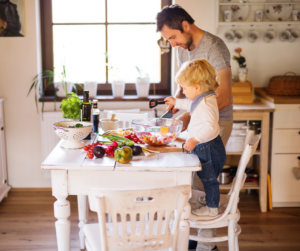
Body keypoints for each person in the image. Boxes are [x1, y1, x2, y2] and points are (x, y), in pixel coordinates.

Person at [156, 4, 233, 251]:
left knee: (203, 180)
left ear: (186, 26)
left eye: (173, 37)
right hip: (197, 119)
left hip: (214, 122)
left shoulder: (214, 47)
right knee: (188, 178)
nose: (172, 43)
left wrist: (188, 117)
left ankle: (206, 245)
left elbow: (222, 98)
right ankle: (190, 237)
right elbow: (186, 88)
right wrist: (174, 107)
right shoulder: (183, 48)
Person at [165, 58, 226, 216]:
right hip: (207, 145)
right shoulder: (203, 98)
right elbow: (190, 104)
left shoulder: (206, 104)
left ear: (197, 87)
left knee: (208, 179)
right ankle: (211, 201)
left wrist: (194, 139)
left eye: (184, 88)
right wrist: (176, 101)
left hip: (207, 147)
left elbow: (211, 127)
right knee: (207, 177)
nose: (183, 91)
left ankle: (212, 209)